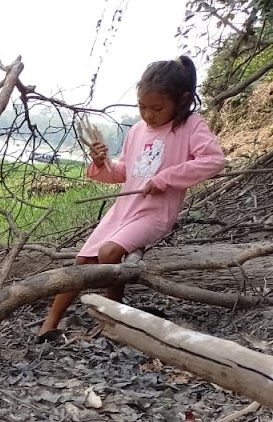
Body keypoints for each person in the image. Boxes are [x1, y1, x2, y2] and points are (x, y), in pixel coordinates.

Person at [38, 56, 225, 340]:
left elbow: (214, 160)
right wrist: (102, 164)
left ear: (182, 100)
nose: (148, 115)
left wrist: (166, 179)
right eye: (142, 107)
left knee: (109, 253)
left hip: (154, 213)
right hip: (123, 210)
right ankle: (49, 323)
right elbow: (124, 172)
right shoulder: (137, 130)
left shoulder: (190, 126)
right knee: (82, 263)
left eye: (157, 108)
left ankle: (115, 317)